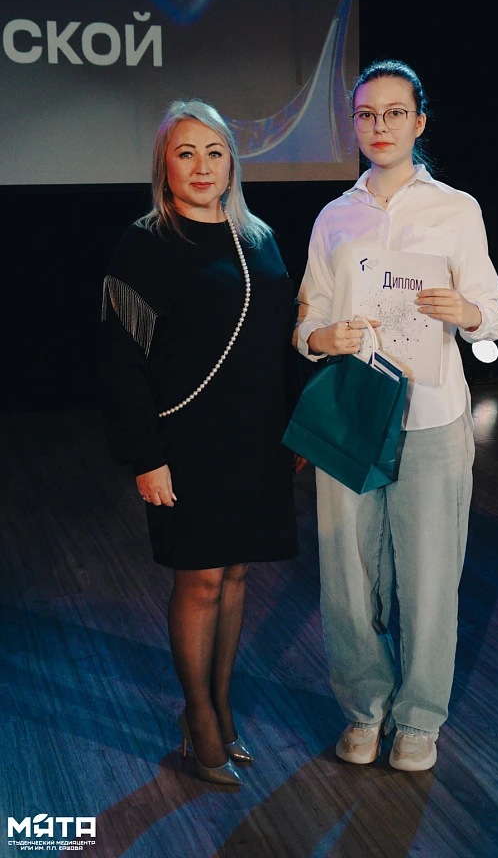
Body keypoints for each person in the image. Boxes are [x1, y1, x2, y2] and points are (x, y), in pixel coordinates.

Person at [294, 60, 498, 772]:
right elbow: (308, 320)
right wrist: (323, 337)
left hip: (433, 416)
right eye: (366, 114)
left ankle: (418, 720)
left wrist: (466, 311)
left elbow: (492, 316)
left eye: (393, 112)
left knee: (429, 575)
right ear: (353, 125)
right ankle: (364, 707)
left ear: (419, 121)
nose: (379, 125)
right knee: (348, 576)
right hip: (352, 415)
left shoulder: (457, 210)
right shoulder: (335, 217)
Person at [101, 99, 298, 785]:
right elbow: (120, 362)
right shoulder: (146, 243)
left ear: (232, 163)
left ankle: (221, 704)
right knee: (202, 578)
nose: (202, 166)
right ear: (165, 165)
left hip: (256, 439)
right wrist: (146, 455)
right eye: (185, 153)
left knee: (236, 574)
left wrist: (295, 428)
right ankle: (199, 716)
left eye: (214, 152)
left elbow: (279, 344)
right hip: (185, 441)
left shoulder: (259, 238)